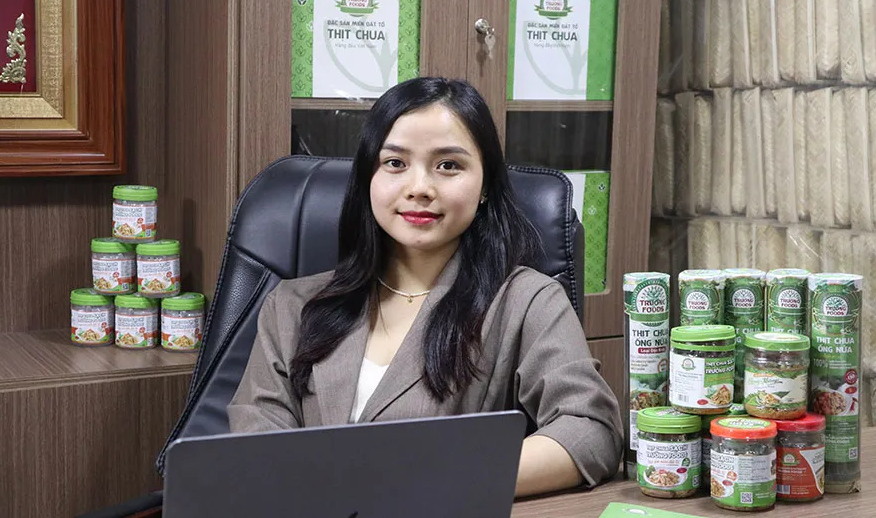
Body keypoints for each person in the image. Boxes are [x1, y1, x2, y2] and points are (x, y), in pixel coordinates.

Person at [227, 77, 623, 497]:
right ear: (368, 178)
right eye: (395, 163)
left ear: (486, 183)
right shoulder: (293, 305)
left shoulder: (526, 301)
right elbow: (256, 444)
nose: (419, 188)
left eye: (448, 165)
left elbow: (590, 430)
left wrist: (436, 480)